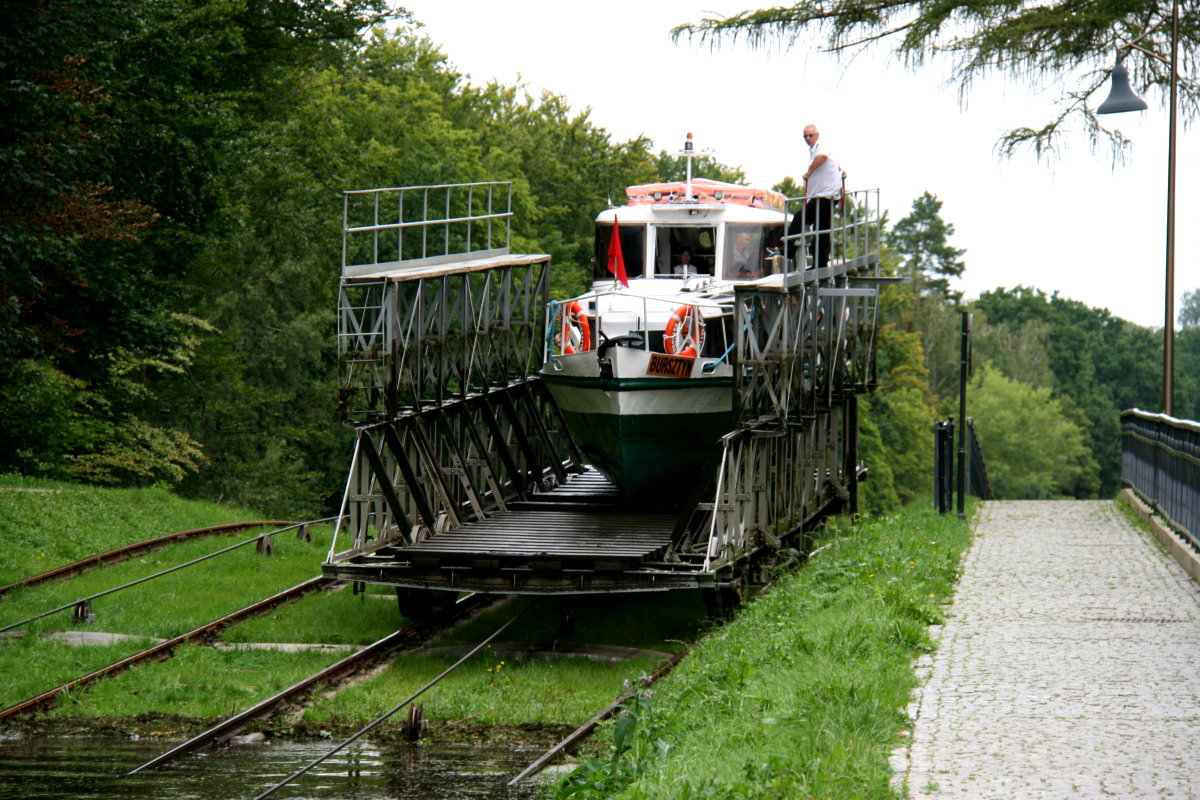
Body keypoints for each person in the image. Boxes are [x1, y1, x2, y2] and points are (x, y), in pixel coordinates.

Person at [789, 124, 842, 269]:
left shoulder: (821, 146)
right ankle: (821, 263)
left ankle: (787, 251)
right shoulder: (814, 150)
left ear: (817, 135)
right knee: (822, 229)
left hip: (825, 195)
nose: (807, 138)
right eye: (805, 136)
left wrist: (808, 173)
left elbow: (823, 157)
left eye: (810, 135)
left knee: (800, 217)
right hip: (825, 194)